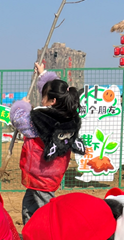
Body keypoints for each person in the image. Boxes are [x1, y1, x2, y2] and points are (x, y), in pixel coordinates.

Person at [10, 62, 84, 224]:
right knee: (30, 204)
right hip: (49, 172)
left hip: (41, 173)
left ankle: (53, 234)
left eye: (44, 96)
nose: (41, 98)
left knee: (46, 208)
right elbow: (55, 89)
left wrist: (22, 106)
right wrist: (43, 75)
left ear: (52, 101)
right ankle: (31, 232)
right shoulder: (67, 114)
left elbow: (19, 120)